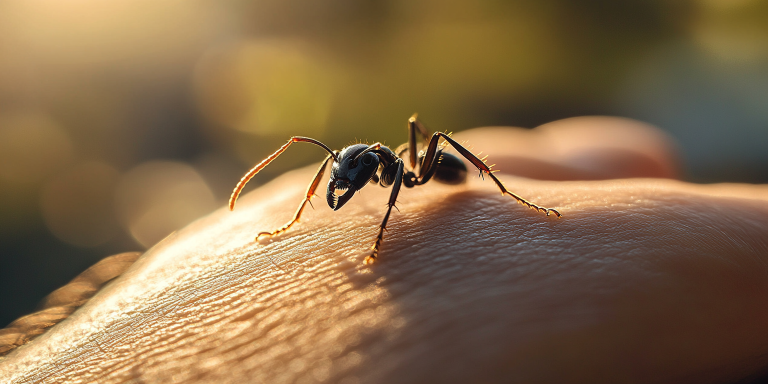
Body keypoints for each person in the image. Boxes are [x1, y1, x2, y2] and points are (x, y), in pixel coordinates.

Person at [2, 117, 767, 383]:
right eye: (346, 173)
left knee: (435, 144)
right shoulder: (359, 163)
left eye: (352, 172)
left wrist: (383, 240)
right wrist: (294, 223)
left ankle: (513, 193)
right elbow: (341, 177)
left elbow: (405, 181)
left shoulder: (414, 164)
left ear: (375, 165)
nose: (346, 180)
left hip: (463, 179)